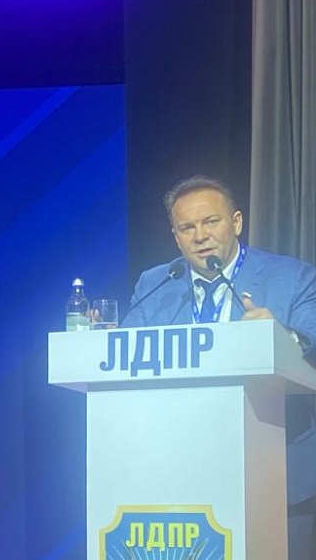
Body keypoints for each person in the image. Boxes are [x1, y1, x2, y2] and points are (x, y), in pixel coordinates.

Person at [123, 175, 316, 559]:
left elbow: (311, 344)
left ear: (236, 222)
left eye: (211, 222)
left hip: (277, 474)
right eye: (187, 228)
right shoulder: (155, 284)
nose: (200, 236)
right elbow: (126, 356)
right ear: (176, 237)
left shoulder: (293, 278)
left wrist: (280, 337)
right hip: (180, 475)